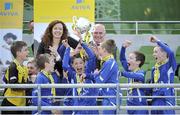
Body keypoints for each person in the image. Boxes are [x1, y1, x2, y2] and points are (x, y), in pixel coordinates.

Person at [62, 39, 98, 114]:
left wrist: (83, 44)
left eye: (81, 63)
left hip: (91, 110)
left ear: (84, 63)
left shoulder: (88, 71)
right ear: (72, 65)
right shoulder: (72, 75)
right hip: (77, 109)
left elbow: (92, 57)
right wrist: (68, 48)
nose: (79, 65)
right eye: (76, 63)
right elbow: (65, 65)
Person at [87, 39, 121, 114]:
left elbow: (99, 81)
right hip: (108, 95)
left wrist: (95, 74)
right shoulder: (107, 61)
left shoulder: (110, 62)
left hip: (111, 96)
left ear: (104, 50)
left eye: (99, 48)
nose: (98, 49)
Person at [149, 36, 177, 114]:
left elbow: (171, 52)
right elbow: (152, 84)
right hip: (155, 98)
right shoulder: (154, 68)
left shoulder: (170, 65)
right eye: (153, 52)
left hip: (166, 98)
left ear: (165, 53)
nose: (153, 54)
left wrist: (158, 41)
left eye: (156, 52)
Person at [120, 40, 148, 114]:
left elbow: (140, 77)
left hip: (139, 105)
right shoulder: (129, 71)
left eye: (131, 58)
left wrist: (123, 73)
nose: (128, 60)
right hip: (130, 104)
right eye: (128, 58)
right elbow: (122, 59)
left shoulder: (140, 72)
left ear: (138, 62)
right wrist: (123, 48)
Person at [1, 41, 29, 114]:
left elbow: (26, 83)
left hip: (20, 104)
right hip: (10, 103)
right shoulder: (13, 67)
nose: (28, 52)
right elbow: (14, 86)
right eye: (25, 50)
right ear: (18, 53)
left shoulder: (24, 68)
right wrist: (28, 86)